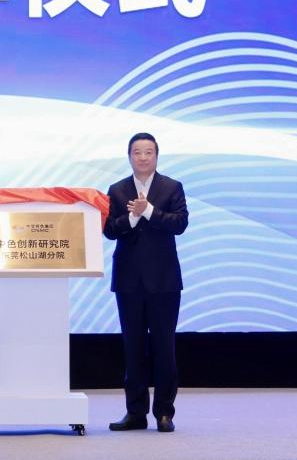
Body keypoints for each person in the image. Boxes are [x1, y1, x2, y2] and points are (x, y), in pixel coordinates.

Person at [103, 132, 188, 433]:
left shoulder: (171, 187)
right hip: (129, 281)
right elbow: (109, 230)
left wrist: (149, 211)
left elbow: (180, 223)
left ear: (156, 156)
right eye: (137, 152)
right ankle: (135, 413)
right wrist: (132, 218)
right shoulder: (117, 190)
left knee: (164, 347)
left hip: (164, 280)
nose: (142, 157)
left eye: (148, 152)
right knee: (133, 347)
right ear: (129, 156)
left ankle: (164, 412)